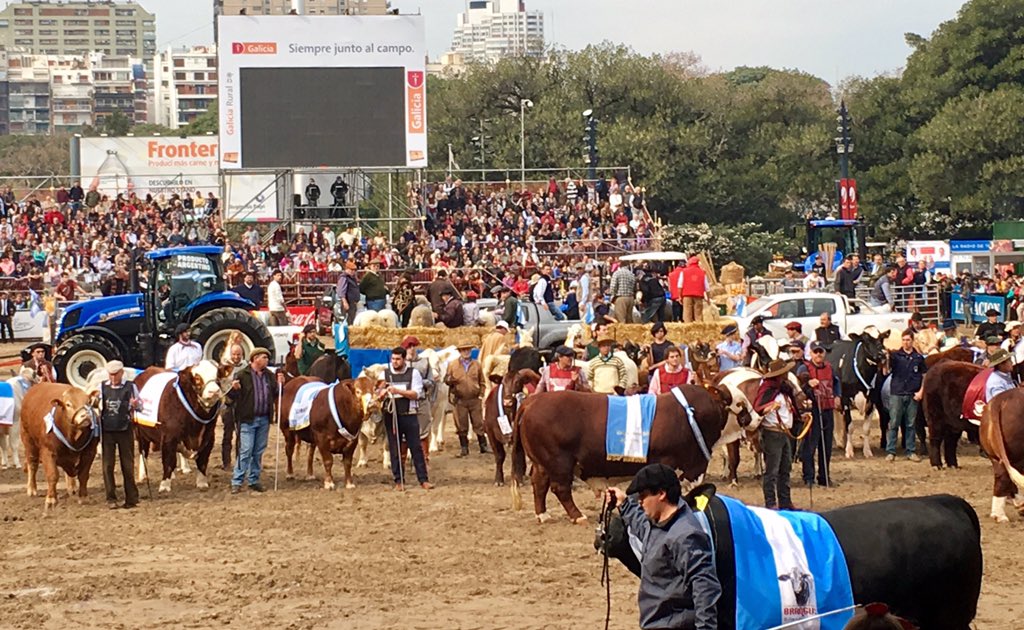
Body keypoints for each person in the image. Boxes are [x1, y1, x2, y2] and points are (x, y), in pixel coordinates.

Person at [605, 464, 720, 630]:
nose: (639, 502)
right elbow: (642, 526)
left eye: (643, 496)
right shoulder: (657, 524)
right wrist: (623, 503)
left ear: (661, 494)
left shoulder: (685, 535)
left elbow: (705, 586)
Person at [228, 347, 285, 493]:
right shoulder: (242, 375)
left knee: (258, 451)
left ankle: (254, 479)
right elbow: (231, 399)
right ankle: (237, 480)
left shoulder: (269, 376)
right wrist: (234, 389)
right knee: (245, 450)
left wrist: (280, 384)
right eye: (264, 357)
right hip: (247, 419)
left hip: (264, 419)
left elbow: (276, 394)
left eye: (267, 358)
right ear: (255, 359)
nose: (266, 360)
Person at [380, 346, 433, 491]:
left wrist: (397, 391)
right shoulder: (384, 373)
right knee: (395, 448)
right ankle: (398, 480)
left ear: (404, 359)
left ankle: (423, 479)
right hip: (391, 416)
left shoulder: (413, 373)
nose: (395, 362)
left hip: (409, 415)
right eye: (393, 359)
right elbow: (377, 391)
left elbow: (416, 394)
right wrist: (382, 392)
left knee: (416, 448)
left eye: (398, 359)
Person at [753, 358, 799, 510]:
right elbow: (759, 408)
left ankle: (785, 502)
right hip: (772, 434)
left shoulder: (784, 390)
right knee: (772, 471)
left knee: (785, 468)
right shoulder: (768, 389)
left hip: (784, 433)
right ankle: (771, 503)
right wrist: (770, 407)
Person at [797, 342, 841, 488]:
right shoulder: (804, 368)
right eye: (815, 352)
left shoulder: (829, 367)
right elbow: (798, 387)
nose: (818, 355)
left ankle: (824, 476)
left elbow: (836, 382)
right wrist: (808, 383)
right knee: (810, 445)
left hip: (827, 409)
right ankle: (808, 477)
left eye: (820, 352)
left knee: (826, 445)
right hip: (813, 410)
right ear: (811, 353)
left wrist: (837, 396)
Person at [99, 360, 140, 510]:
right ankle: (111, 497)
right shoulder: (102, 387)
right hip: (108, 430)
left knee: (127, 464)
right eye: (111, 375)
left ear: (121, 373)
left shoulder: (131, 387)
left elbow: (140, 406)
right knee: (108, 465)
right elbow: (98, 406)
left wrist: (136, 405)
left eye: (116, 374)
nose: (113, 378)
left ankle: (132, 497)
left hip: (125, 428)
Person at [886, 331, 926, 463]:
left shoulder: (918, 358)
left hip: (912, 394)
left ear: (912, 341)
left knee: (910, 424)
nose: (905, 342)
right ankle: (891, 451)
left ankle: (911, 451)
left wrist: (921, 391)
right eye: (903, 340)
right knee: (894, 423)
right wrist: (886, 358)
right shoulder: (895, 356)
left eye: (908, 340)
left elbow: (924, 376)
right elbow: (886, 370)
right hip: (897, 393)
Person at [444, 343, 489, 457]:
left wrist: (481, 394)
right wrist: (450, 380)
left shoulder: (477, 365)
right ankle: (464, 448)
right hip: (460, 399)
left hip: (474, 399)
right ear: (459, 351)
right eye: (463, 350)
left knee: (478, 423)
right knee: (461, 424)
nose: (466, 352)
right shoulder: (452, 365)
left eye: (468, 349)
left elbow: (482, 381)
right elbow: (446, 379)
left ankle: (483, 446)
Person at [402, 336, 435, 466]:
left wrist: (419, 382)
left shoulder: (424, 362)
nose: (411, 349)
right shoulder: (400, 363)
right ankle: (402, 461)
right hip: (404, 401)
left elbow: (431, 382)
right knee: (404, 433)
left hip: (421, 400)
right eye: (409, 346)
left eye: (413, 346)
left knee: (423, 431)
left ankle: (423, 461)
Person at [219, 343, 246, 471]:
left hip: (241, 405)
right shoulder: (224, 368)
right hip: (228, 404)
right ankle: (226, 462)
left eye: (238, 354)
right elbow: (222, 385)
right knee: (227, 434)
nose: (236, 357)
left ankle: (240, 461)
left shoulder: (246, 367)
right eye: (234, 354)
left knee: (241, 435)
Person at [679, 256, 708, 323]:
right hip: (698, 295)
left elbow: (680, 285)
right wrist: (708, 298)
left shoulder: (684, 271)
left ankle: (688, 327)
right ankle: (699, 327)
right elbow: (707, 287)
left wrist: (680, 296)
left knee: (687, 313)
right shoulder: (702, 272)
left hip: (687, 295)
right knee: (698, 314)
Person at [337, 261, 361, 325]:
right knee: (348, 321)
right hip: (348, 302)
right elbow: (341, 291)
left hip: (353, 303)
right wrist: (345, 302)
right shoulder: (344, 278)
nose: (353, 271)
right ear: (347, 269)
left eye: (354, 270)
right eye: (352, 270)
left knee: (352, 320)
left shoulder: (352, 278)